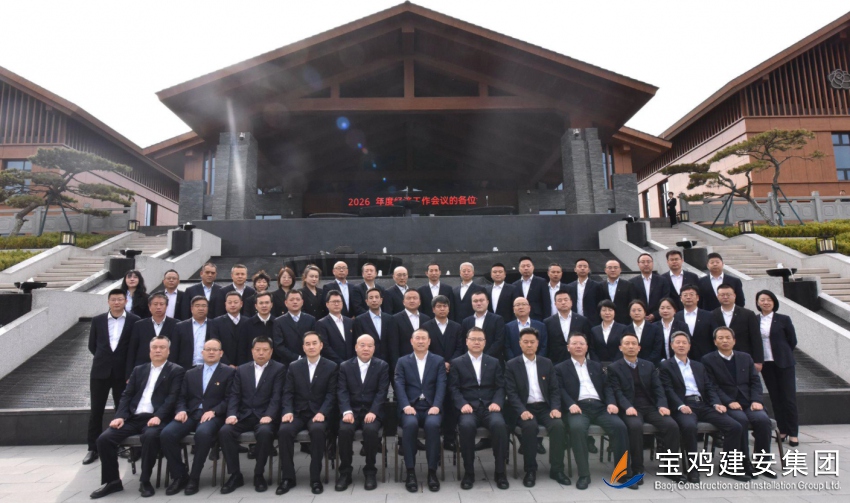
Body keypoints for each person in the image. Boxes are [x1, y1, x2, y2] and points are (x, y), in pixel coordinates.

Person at [90, 336, 185, 499]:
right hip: (134, 418)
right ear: (149, 351)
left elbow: (172, 397)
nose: (158, 350)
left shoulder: (176, 371)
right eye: (154, 347)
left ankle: (145, 480)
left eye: (162, 347)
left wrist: (159, 416)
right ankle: (113, 481)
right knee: (104, 439)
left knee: (150, 437)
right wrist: (120, 416)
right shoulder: (139, 370)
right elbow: (126, 395)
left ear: (168, 351)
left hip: (156, 418)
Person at [660, 331, 745, 483]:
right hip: (683, 405)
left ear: (689, 346)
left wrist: (716, 403)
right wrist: (680, 405)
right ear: (672, 346)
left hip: (703, 404)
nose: (681, 345)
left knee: (734, 426)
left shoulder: (698, 365)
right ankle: (693, 469)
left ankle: (729, 467)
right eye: (677, 342)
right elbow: (668, 390)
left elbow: (709, 386)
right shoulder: (666, 365)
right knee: (689, 427)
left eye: (684, 342)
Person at [159, 338, 236, 495]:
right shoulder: (191, 373)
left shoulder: (229, 372)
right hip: (191, 414)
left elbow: (230, 398)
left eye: (215, 350)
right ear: (202, 352)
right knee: (167, 434)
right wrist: (181, 410)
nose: (211, 352)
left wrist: (214, 411)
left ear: (221, 353)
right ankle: (180, 475)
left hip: (213, 416)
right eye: (208, 349)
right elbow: (181, 397)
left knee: (203, 434)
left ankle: (194, 478)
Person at [554, 333, 627, 490]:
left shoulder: (596, 366)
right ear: (568, 347)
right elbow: (559, 389)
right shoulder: (560, 368)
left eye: (582, 343)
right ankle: (584, 474)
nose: (578, 346)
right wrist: (570, 404)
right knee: (577, 428)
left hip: (600, 406)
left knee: (620, 426)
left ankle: (622, 472)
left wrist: (611, 403)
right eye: (574, 343)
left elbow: (607, 387)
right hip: (578, 407)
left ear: (587, 347)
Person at [702, 326, 775, 477]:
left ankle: (763, 463)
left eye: (728, 338)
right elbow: (712, 386)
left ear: (734, 341)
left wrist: (756, 400)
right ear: (715, 342)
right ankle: (742, 462)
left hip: (748, 402)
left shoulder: (745, 357)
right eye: (721, 338)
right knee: (740, 421)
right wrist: (728, 402)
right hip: (727, 404)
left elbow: (755, 381)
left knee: (762, 420)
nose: (725, 341)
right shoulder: (708, 360)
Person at [607, 333, 679, 486]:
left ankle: (670, 468)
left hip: (650, 406)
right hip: (630, 407)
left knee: (671, 425)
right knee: (635, 427)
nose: (631, 346)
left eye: (634, 343)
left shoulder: (649, 365)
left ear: (639, 348)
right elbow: (617, 391)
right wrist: (627, 406)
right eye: (627, 343)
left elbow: (658, 388)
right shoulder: (614, 368)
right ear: (620, 348)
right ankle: (638, 469)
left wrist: (662, 405)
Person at [219, 336, 286, 494]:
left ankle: (258, 474)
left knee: (265, 432)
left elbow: (277, 396)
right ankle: (235, 475)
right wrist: (232, 414)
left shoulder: (279, 369)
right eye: (258, 350)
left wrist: (270, 415)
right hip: (244, 415)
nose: (261, 353)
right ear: (252, 351)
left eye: (265, 350)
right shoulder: (242, 369)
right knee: (225, 431)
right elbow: (234, 395)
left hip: (265, 416)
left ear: (271, 352)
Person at [504, 327, 566, 488]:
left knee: (558, 426)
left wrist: (555, 408)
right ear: (520, 344)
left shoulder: (546, 363)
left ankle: (557, 469)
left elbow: (554, 389)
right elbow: (511, 393)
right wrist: (522, 411)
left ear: (537, 344)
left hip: (545, 407)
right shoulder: (511, 365)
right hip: (525, 407)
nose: (529, 345)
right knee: (529, 427)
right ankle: (530, 470)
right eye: (525, 342)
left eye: (532, 342)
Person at [448, 327, 509, 490]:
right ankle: (469, 472)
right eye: (473, 339)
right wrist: (462, 404)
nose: (476, 342)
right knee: (466, 426)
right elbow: (453, 388)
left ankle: (500, 472)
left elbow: (500, 386)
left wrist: (497, 402)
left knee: (500, 425)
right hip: (468, 408)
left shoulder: (494, 362)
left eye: (480, 339)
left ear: (485, 342)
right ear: (467, 341)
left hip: (490, 407)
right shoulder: (457, 362)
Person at [84, 289, 140, 465]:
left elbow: (134, 347)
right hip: (100, 372)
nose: (117, 302)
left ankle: (122, 445)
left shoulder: (134, 320)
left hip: (122, 373)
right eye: (113, 299)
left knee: (122, 410)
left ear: (125, 301)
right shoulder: (98, 320)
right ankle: (93, 448)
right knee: (96, 410)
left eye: (120, 299)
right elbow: (92, 346)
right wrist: (105, 359)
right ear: (108, 301)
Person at [277, 332, 338, 495]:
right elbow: (288, 392)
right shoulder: (294, 366)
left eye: (314, 343)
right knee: (284, 431)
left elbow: (331, 394)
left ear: (321, 345)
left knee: (318, 430)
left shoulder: (331, 366)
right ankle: (288, 477)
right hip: (297, 412)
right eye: (308, 344)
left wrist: (323, 412)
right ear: (303, 347)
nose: (311, 347)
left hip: (318, 413)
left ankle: (315, 478)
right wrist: (288, 411)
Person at [394, 328, 446, 493]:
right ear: (411, 341)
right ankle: (410, 472)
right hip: (411, 407)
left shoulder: (438, 361)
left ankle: (432, 472)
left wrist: (437, 405)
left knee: (432, 426)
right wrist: (405, 406)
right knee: (409, 426)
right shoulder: (402, 361)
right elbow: (399, 385)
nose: (421, 341)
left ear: (429, 341)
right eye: (417, 338)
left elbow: (441, 385)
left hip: (431, 407)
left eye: (424, 338)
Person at [336, 335, 390, 491]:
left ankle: (370, 471)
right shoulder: (345, 366)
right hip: (351, 411)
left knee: (371, 430)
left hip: (372, 411)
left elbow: (382, 392)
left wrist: (374, 411)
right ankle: (345, 472)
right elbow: (342, 391)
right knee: (344, 430)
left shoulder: (382, 366)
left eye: (370, 346)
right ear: (356, 347)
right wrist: (346, 411)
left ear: (374, 348)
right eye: (362, 345)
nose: (366, 348)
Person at [755, 289, 799, 446]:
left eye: (769, 300)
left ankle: (793, 433)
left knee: (788, 398)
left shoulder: (783, 319)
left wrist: (783, 353)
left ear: (774, 302)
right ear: (758, 303)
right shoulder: (754, 320)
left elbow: (792, 340)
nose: (766, 302)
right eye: (762, 300)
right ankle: (783, 429)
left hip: (784, 363)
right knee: (775, 398)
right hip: (766, 364)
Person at [422, 294, 463, 450]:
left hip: (453, 370)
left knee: (451, 404)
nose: (442, 309)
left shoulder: (456, 327)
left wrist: (450, 363)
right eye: (438, 306)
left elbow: (460, 347)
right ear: (433, 309)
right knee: (435, 402)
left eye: (444, 306)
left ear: (449, 308)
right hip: (433, 370)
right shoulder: (426, 326)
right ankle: (434, 438)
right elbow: (425, 347)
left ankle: (449, 438)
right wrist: (440, 363)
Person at [126, 293, 179, 378]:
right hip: (142, 369)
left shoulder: (177, 325)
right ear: (149, 306)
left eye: (161, 304)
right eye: (155, 304)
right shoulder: (139, 325)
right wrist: (129, 374)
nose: (158, 307)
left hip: (167, 371)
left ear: (166, 306)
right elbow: (132, 350)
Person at [710, 284, 763, 366]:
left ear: (734, 295)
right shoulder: (712, 314)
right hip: (720, 359)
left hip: (744, 357)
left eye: (728, 295)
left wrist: (758, 361)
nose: (725, 297)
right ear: (717, 297)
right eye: (722, 295)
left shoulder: (748, 314)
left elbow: (756, 338)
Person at [544, 290, 592, 365]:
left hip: (578, 360)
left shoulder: (582, 320)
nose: (563, 302)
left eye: (566, 300)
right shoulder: (548, 322)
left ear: (571, 302)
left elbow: (588, 340)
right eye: (560, 300)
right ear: (555, 304)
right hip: (555, 361)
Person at [272, 290, 317, 363]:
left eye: (298, 299)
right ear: (286, 303)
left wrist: (307, 356)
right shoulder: (279, 321)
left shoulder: (311, 319)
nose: (295, 302)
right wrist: (296, 357)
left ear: (302, 302)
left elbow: (314, 340)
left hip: (309, 360)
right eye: (291, 300)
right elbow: (279, 346)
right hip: (287, 362)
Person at [459, 290, 506, 361]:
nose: (478, 303)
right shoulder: (466, 321)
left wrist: (484, 357)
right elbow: (464, 342)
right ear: (471, 303)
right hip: (471, 360)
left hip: (492, 360)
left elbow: (499, 341)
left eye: (481, 300)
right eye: (475, 301)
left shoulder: (497, 319)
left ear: (487, 302)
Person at [208, 291, 252, 366]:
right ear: (225, 304)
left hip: (245, 365)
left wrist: (244, 365)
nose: (232, 305)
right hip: (223, 365)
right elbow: (215, 345)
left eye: (235, 302)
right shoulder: (216, 322)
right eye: (230, 302)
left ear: (241, 304)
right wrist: (227, 364)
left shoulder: (248, 322)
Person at [353, 287, 395, 363]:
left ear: (381, 300)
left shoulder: (390, 319)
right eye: (371, 298)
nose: (374, 300)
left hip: (388, 361)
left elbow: (393, 342)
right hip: (369, 361)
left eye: (376, 297)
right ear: (366, 301)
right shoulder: (359, 320)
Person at [674, 285, 715, 360]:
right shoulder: (676, 316)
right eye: (685, 295)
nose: (688, 297)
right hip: (684, 356)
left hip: (706, 355)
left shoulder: (709, 315)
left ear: (697, 298)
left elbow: (714, 336)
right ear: (681, 298)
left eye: (691, 294)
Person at [392, 289, 430, 367]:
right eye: (408, 298)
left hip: (424, 361)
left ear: (419, 302)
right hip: (404, 362)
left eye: (415, 298)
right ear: (403, 302)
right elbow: (393, 345)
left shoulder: (426, 319)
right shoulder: (395, 319)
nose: (412, 301)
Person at [628, 253, 670, 323]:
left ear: (652, 263)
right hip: (639, 319)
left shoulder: (662, 281)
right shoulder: (632, 282)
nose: (646, 264)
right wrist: (641, 313)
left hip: (659, 319)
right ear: (638, 264)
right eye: (643, 262)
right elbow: (632, 301)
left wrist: (655, 315)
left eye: (648, 262)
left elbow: (666, 298)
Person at [316, 290, 355, 364]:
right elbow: (325, 347)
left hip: (351, 363)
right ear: (327, 304)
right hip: (332, 364)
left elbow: (355, 342)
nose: (336, 304)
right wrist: (341, 363)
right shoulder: (321, 323)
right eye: (333, 302)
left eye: (338, 301)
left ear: (342, 303)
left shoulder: (350, 322)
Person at [173, 295, 210, 370]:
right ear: (191, 308)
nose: (201, 308)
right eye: (197, 306)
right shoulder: (180, 326)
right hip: (185, 368)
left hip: (209, 366)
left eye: (204, 306)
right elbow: (174, 349)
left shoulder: (215, 325)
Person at [596, 260, 638, 325]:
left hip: (624, 322)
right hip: (604, 322)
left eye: (615, 268)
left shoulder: (628, 285)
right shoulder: (600, 286)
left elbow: (632, 303)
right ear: (605, 270)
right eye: (610, 268)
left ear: (620, 270)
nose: (613, 270)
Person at [627, 299, 664, 366]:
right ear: (629, 313)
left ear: (644, 312)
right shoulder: (626, 330)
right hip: (630, 365)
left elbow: (657, 350)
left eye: (639, 310)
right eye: (633, 310)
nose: (636, 313)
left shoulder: (655, 329)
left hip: (651, 365)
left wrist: (645, 364)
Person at [243, 292, 276, 364]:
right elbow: (243, 348)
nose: (264, 305)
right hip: (252, 364)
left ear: (271, 305)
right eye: (261, 303)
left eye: (267, 303)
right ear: (256, 306)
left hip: (275, 364)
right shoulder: (247, 324)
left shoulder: (277, 323)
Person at [565, 258, 601, 326]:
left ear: (589, 269)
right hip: (574, 321)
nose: (582, 268)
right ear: (575, 269)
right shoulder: (569, 286)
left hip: (592, 321)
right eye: (580, 266)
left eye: (585, 266)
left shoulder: (596, 286)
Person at [512, 256, 548, 321]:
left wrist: (546, 320)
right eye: (523, 266)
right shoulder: (514, 285)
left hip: (537, 318)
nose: (526, 268)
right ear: (519, 269)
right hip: (519, 318)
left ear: (533, 267)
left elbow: (546, 303)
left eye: (528, 266)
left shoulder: (541, 282)